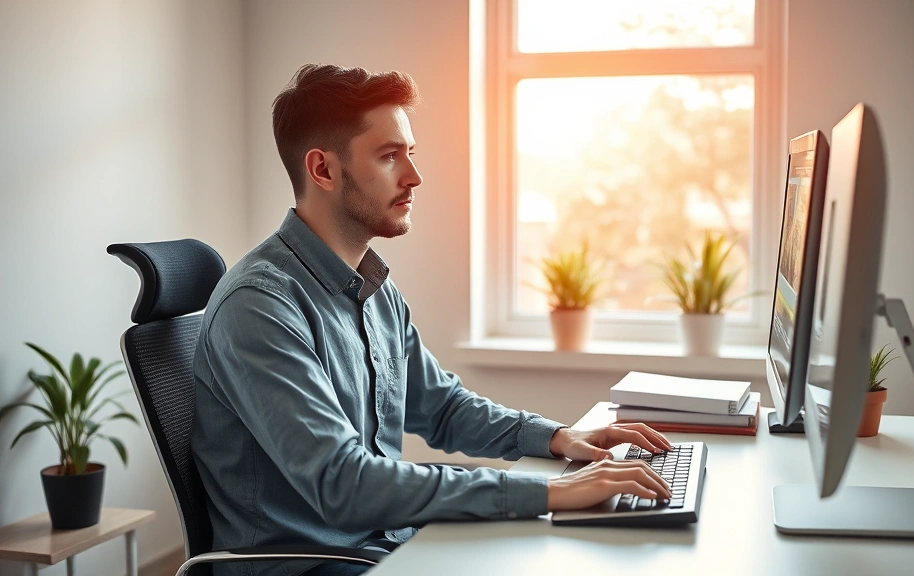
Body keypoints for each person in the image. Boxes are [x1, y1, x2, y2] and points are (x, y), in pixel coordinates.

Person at [192, 64, 673, 576]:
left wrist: (558, 438)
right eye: (388, 156)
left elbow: (441, 408)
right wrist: (552, 490)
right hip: (314, 564)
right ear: (324, 170)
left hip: (384, 541)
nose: (413, 176)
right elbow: (344, 485)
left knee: (565, 549)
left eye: (410, 154)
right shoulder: (261, 307)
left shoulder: (373, 288)